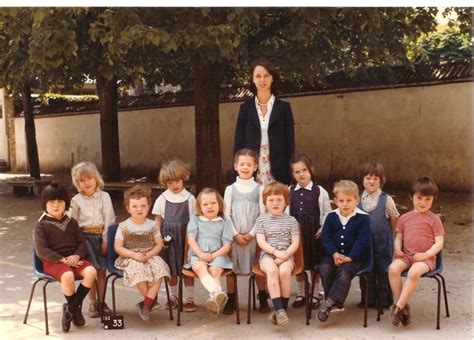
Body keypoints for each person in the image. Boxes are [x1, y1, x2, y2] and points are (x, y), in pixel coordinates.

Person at [34, 182, 97, 333]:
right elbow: (41, 250)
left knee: (91, 272)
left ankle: (70, 309)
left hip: (74, 259)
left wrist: (76, 255)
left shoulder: (72, 222)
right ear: (44, 204)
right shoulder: (40, 226)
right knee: (68, 275)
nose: (56, 205)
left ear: (66, 204)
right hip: (54, 261)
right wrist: (62, 260)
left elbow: (81, 242)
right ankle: (75, 311)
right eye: (52, 202)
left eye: (60, 201)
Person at [388, 176, 444, 327]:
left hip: (426, 259)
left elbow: (439, 242)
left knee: (413, 272)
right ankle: (404, 307)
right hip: (406, 255)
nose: (423, 203)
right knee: (393, 269)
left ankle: (398, 307)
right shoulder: (405, 218)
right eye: (419, 198)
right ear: (411, 197)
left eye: (427, 199)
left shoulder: (434, 219)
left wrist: (426, 255)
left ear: (433, 199)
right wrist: (397, 248)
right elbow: (398, 237)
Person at [233, 58, 295, 186]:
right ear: (253, 80)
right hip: (252, 166)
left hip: (277, 167)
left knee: (276, 203)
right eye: (258, 76)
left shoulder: (283, 108)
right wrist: (240, 167)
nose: (262, 80)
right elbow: (239, 143)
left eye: (266, 76)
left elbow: (290, 143)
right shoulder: (245, 108)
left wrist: (289, 170)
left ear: (272, 78)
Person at [222, 148, 269, 315]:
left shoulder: (260, 189)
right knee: (231, 268)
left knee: (257, 267)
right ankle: (231, 299)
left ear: (256, 167)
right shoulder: (230, 189)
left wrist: (251, 234)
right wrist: (235, 234)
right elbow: (226, 215)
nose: (245, 167)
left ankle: (262, 295)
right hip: (234, 237)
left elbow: (263, 215)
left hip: (254, 236)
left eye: (249, 164)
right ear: (235, 166)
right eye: (242, 164)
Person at [114, 185, 170, 322]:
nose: (139, 209)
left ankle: (146, 305)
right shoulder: (123, 226)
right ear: (128, 208)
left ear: (149, 206)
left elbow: (158, 244)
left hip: (149, 255)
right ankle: (149, 302)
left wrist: (150, 254)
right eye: (135, 206)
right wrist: (134, 255)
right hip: (130, 257)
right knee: (138, 271)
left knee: (161, 269)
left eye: (143, 206)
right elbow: (118, 247)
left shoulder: (153, 225)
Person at [318, 180, 370, 322]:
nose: (345, 204)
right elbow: (326, 238)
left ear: (357, 200)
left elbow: (363, 241)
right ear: (335, 201)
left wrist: (350, 257)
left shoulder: (363, 218)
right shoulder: (331, 216)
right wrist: (334, 254)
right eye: (341, 200)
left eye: (349, 200)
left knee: (344, 271)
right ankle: (335, 302)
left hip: (355, 258)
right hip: (333, 255)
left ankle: (328, 303)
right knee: (325, 268)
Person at [70, 161, 115, 317]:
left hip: (100, 236)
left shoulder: (104, 197)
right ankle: (93, 303)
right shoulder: (76, 200)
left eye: (89, 178)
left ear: (96, 179)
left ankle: (102, 302)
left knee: (102, 271)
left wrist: (106, 240)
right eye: (82, 180)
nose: (86, 182)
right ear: (77, 183)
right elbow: (73, 224)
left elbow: (109, 219)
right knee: (91, 271)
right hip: (84, 239)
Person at [152, 158, 197, 312]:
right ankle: (173, 297)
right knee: (171, 268)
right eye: (170, 182)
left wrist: (193, 240)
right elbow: (157, 221)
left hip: (186, 239)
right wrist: (158, 239)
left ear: (183, 178)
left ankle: (189, 298)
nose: (174, 185)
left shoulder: (190, 199)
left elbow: (195, 221)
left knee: (187, 267)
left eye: (177, 181)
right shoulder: (162, 198)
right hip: (169, 239)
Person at [288, 153, 331, 310]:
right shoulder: (290, 190)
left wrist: (323, 227)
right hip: (296, 233)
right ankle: (301, 293)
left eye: (304, 170)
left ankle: (314, 293)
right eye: (297, 171)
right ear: (293, 174)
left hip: (314, 233)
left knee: (314, 264)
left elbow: (328, 212)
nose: (301, 174)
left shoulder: (320, 191)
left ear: (310, 170)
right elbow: (287, 213)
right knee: (299, 263)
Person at [255, 182, 300, 326]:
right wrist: (276, 253)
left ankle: (282, 309)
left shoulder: (291, 221)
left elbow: (295, 243)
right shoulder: (261, 220)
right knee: (272, 270)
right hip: (268, 256)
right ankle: (279, 309)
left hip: (287, 255)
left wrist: (285, 255)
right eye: (271, 200)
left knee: (285, 271)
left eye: (279, 199)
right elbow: (261, 242)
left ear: (286, 201)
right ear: (265, 202)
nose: (275, 203)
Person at [184, 188, 234, 315]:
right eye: (205, 204)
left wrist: (213, 256)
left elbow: (227, 246)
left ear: (219, 205)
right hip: (197, 255)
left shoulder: (225, 222)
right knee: (201, 268)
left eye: (213, 203)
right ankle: (217, 293)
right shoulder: (195, 219)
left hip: (218, 255)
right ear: (200, 207)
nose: (209, 206)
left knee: (214, 270)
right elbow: (191, 240)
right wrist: (201, 255)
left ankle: (213, 299)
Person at [357, 162, 400, 309]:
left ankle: (384, 300)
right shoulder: (357, 198)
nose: (372, 181)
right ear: (362, 179)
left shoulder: (385, 199)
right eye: (368, 178)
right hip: (364, 242)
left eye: (376, 178)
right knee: (366, 269)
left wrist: (392, 235)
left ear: (381, 180)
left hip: (382, 241)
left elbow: (395, 218)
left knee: (383, 269)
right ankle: (368, 299)